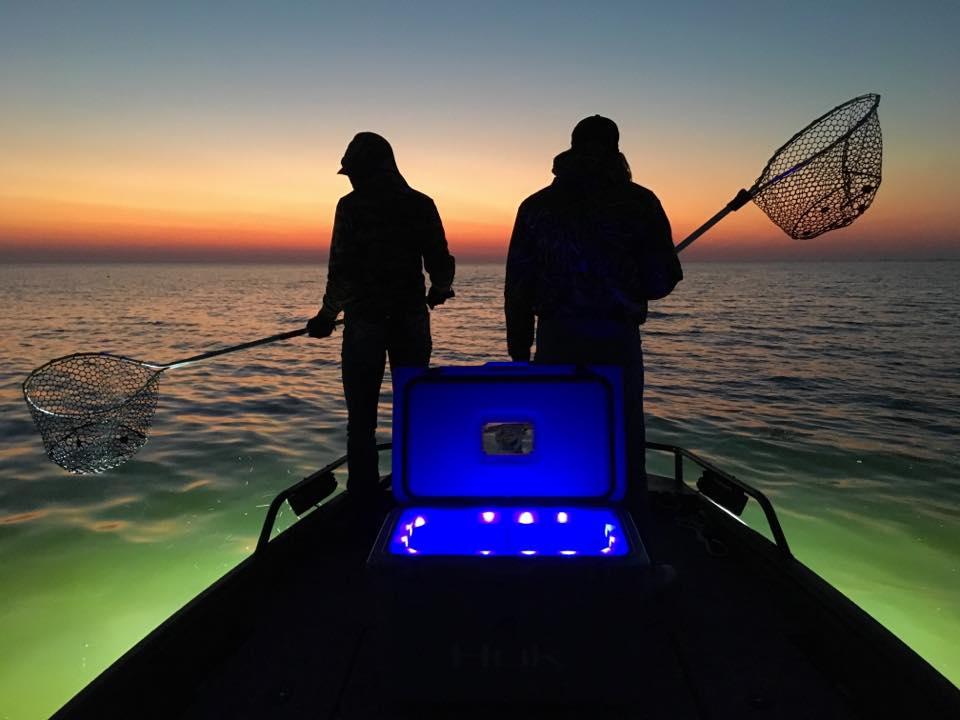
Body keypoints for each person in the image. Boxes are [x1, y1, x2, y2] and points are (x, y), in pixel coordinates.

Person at [504, 115, 681, 517]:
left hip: (555, 340)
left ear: (570, 147)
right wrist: (635, 276)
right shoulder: (640, 203)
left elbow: (518, 284)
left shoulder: (536, 207)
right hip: (616, 340)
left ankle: (553, 522)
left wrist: (519, 350)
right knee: (623, 437)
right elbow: (660, 281)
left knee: (555, 431)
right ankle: (631, 531)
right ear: (616, 149)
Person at [308, 132, 455, 503]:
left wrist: (327, 315)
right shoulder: (420, 204)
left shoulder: (351, 207)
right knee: (413, 408)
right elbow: (440, 262)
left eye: (354, 171)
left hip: (364, 326)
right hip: (409, 321)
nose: (352, 179)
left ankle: (362, 498)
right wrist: (438, 291)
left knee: (361, 420)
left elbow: (341, 270)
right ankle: (414, 486)